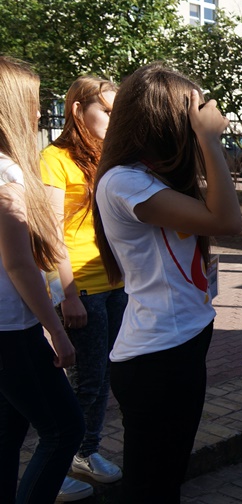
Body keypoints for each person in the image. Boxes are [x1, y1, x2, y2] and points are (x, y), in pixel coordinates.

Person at [93, 63, 241, 503]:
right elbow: (227, 220)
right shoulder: (124, 182)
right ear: (165, 119)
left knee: (166, 480)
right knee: (150, 488)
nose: (199, 120)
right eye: (191, 113)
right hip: (156, 356)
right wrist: (210, 140)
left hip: (182, 342)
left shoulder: (151, 177)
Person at [0, 56, 84, 503]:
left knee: (8, 434)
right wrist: (55, 330)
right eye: (31, 102)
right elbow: (18, 264)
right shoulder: (8, 174)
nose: (37, 112)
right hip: (13, 330)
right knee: (65, 430)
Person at [40, 76, 125, 499]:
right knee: (86, 379)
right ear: (78, 110)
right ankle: (66, 456)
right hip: (84, 286)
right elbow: (51, 233)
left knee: (105, 373)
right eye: (105, 110)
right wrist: (68, 293)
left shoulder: (108, 155)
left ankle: (84, 450)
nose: (113, 118)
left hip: (117, 280)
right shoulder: (54, 159)